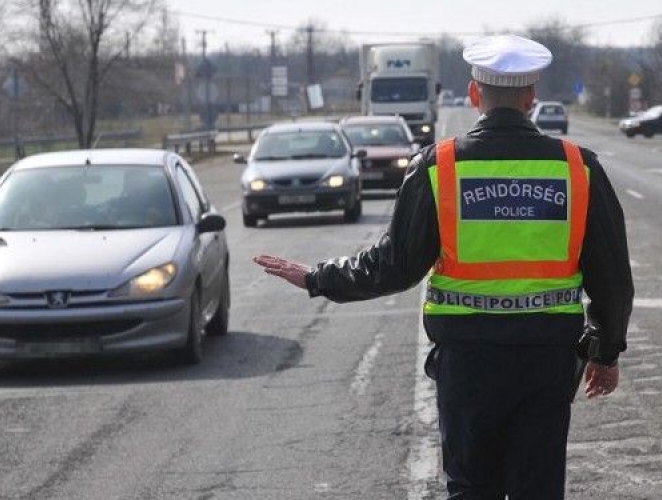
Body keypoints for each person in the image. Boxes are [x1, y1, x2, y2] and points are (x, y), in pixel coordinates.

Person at [254, 34, 633, 499]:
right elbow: (612, 278)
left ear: (475, 95)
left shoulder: (440, 167)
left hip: (468, 363)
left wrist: (318, 277)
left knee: (471, 487)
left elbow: (393, 266)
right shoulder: (579, 168)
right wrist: (606, 351)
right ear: (531, 98)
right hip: (546, 362)